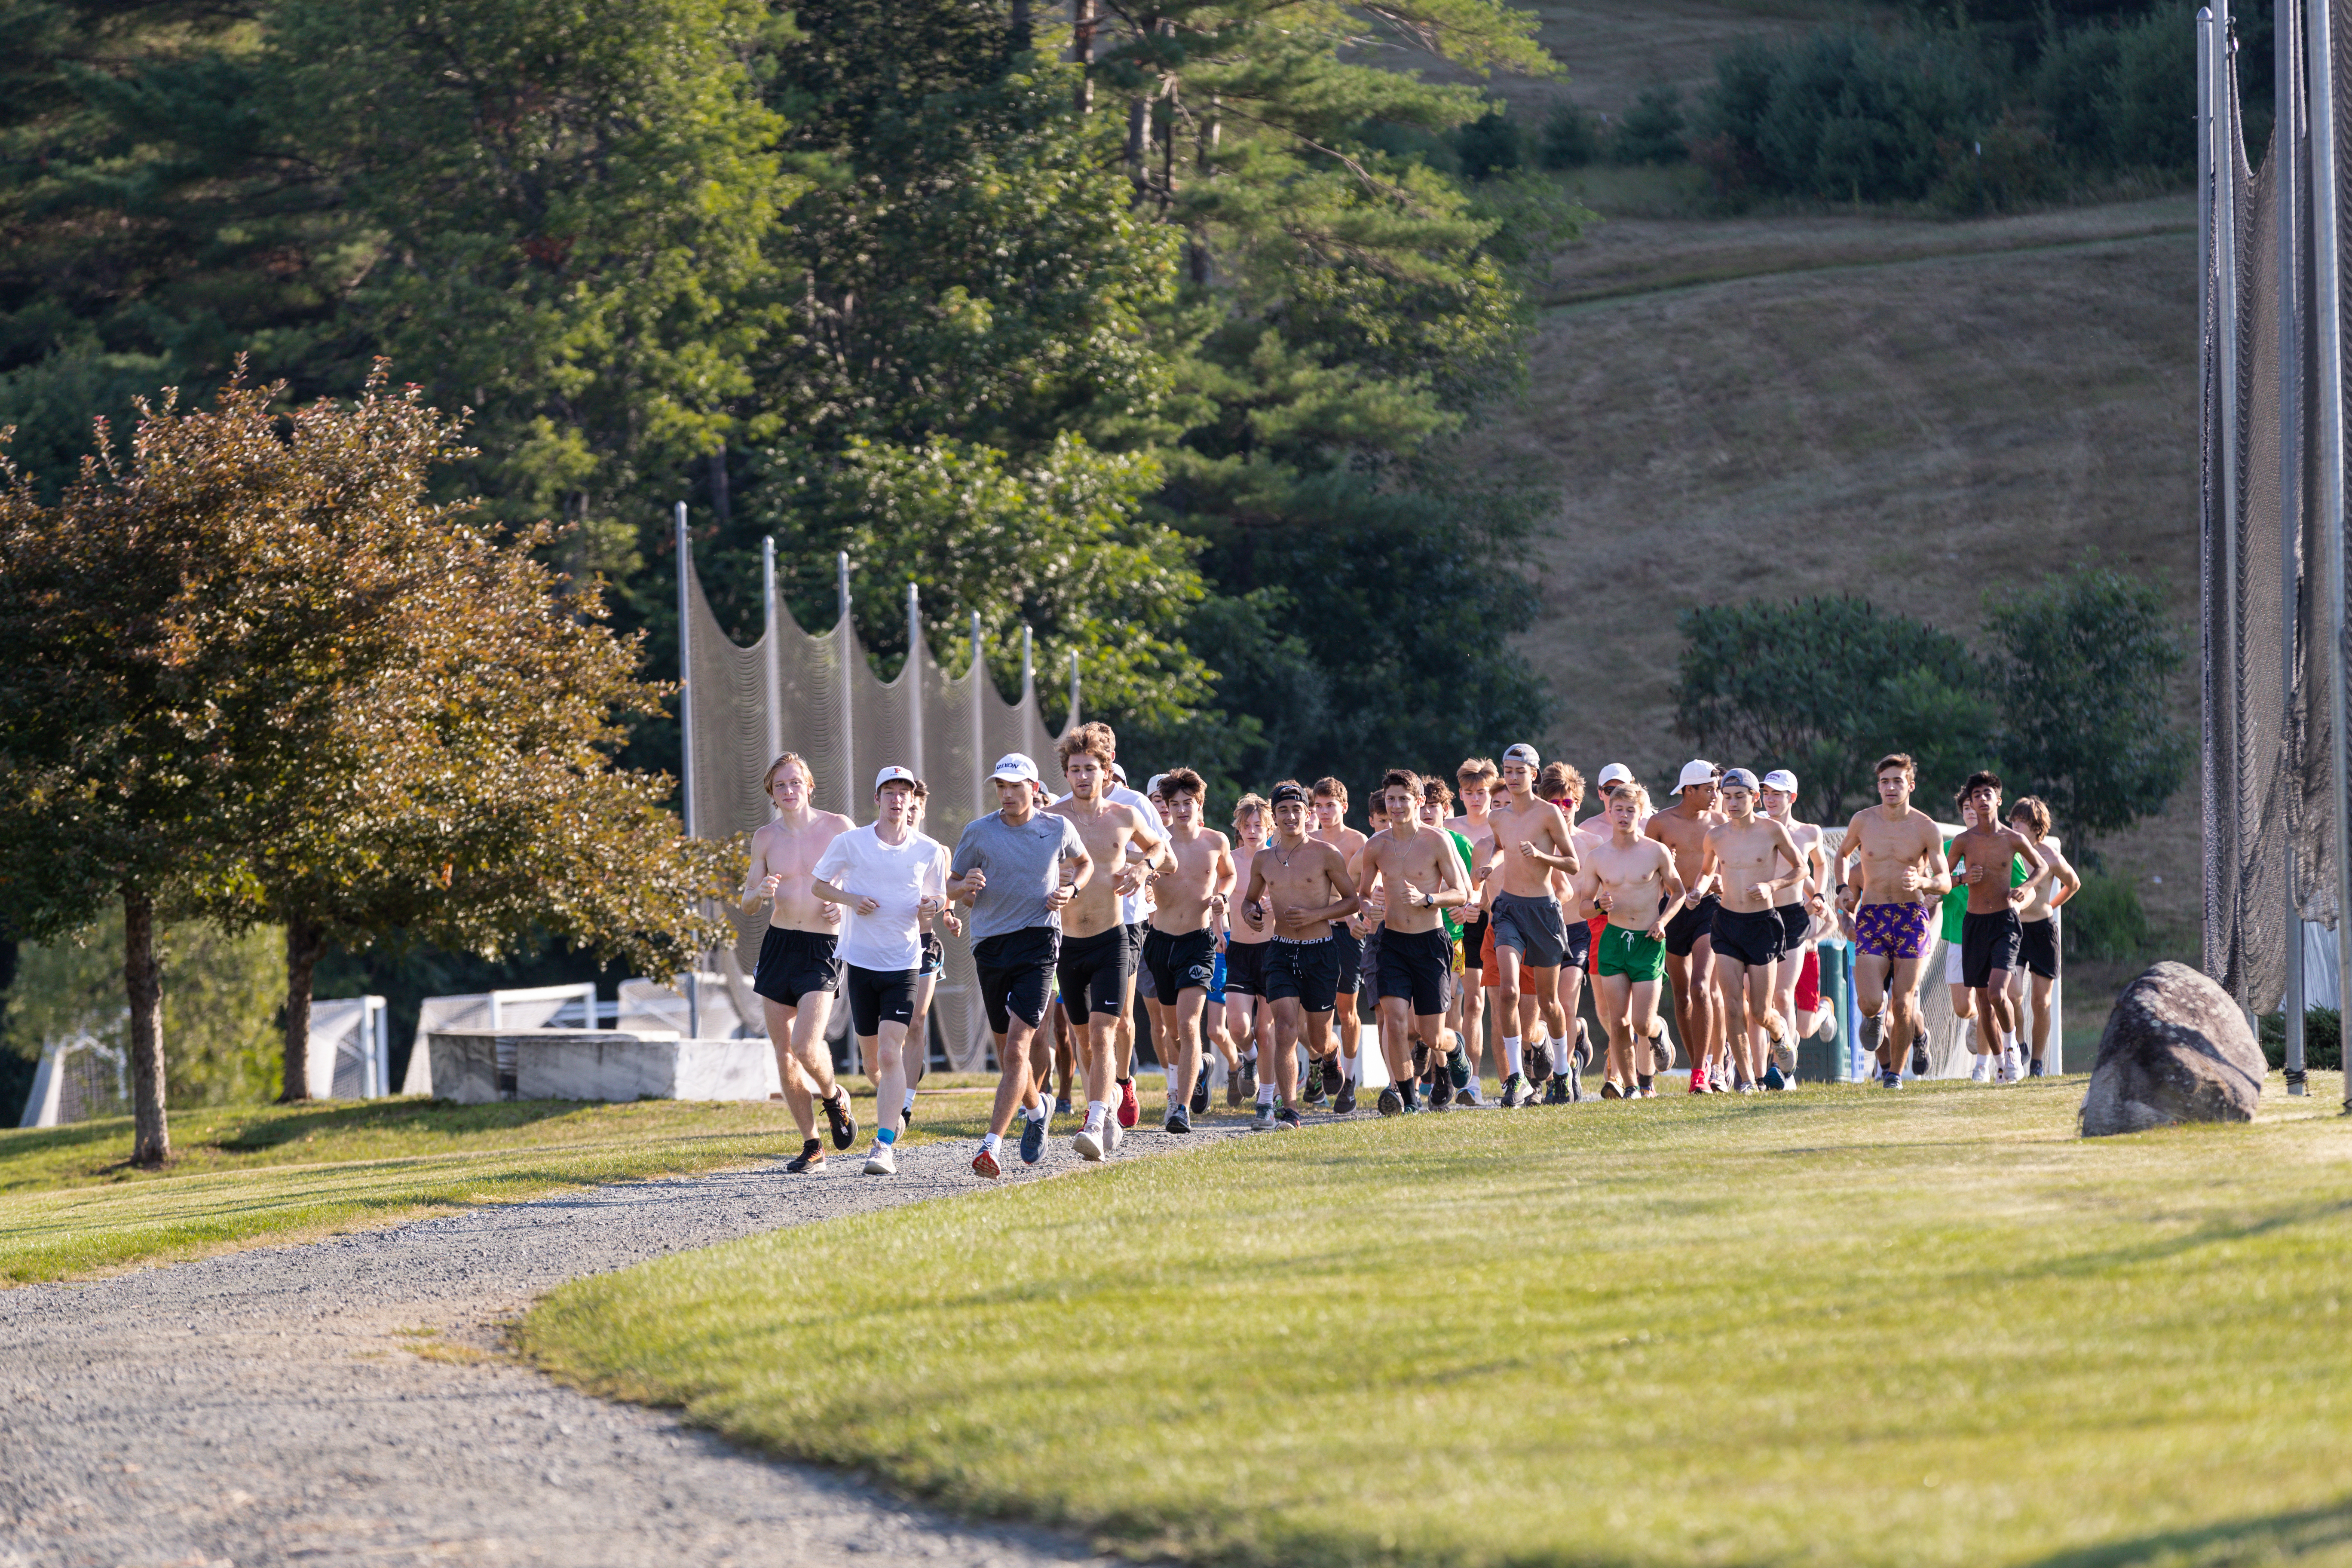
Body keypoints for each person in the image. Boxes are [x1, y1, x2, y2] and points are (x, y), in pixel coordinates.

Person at [949, 753, 1092, 1178]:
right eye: (1001, 787)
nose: (1008, 794)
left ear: (1034, 788)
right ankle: (1037, 1108)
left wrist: (1072, 890)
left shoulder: (1057, 828)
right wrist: (965, 886)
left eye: (1015, 786)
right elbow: (952, 884)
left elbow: (1084, 863)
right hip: (990, 945)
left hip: (1040, 940)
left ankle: (991, 1146)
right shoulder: (978, 832)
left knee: (1017, 1048)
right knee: (1005, 1052)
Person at [811, 766, 950, 1175]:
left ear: (912, 801)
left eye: (902, 793)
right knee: (873, 1062)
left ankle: (883, 1145)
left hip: (905, 964)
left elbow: (938, 897)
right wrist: (851, 899)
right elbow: (820, 885)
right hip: (861, 963)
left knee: (893, 1053)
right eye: (888, 792)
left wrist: (933, 907)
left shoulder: (928, 849)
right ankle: (890, 1106)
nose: (896, 800)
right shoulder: (851, 843)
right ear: (878, 799)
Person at [1046, 728, 1171, 1158]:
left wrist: (1143, 869)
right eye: (1075, 770)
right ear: (1066, 774)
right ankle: (1108, 1109)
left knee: (1103, 1033)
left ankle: (1096, 1119)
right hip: (1068, 943)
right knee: (1082, 1039)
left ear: (1105, 771)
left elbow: (1163, 852)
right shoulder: (1051, 819)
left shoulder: (1124, 815)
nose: (1083, 777)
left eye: (1090, 769)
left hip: (1112, 940)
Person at [739, 751, 860, 1173]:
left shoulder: (839, 827)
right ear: (772, 794)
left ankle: (833, 1097)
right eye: (780, 786)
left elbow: (866, 877)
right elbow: (748, 901)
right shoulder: (765, 838)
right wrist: (759, 894)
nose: (789, 791)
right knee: (784, 1053)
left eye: (795, 783)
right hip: (779, 945)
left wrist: (841, 905)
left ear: (809, 785)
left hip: (823, 947)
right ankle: (812, 1145)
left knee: (806, 1046)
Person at [1242, 781, 1362, 1127]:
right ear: (1274, 817)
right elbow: (1250, 900)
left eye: (1297, 810)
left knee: (1319, 1036)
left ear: (1307, 813)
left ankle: (1331, 1054)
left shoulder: (1327, 853)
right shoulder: (1264, 859)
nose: (1291, 816)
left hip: (1320, 951)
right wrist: (1251, 913)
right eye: (1283, 811)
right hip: (1280, 950)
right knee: (1284, 1029)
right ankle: (1290, 1110)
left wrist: (1315, 915)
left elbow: (1352, 901)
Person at [1834, 754, 1953, 1089]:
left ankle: (1894, 1076)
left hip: (1910, 918)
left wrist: (1923, 883)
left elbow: (1945, 881)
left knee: (1904, 1001)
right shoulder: (1863, 821)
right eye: (1884, 781)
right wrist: (1843, 889)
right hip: (1872, 917)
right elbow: (1842, 855)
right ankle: (1875, 1016)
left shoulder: (1926, 827)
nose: (1890, 787)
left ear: (1910, 785)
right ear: (1878, 786)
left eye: (1897, 781)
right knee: (1872, 1001)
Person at [1360, 769, 1471, 1114]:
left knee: (1430, 1034)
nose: (1395, 806)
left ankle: (1454, 1048)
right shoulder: (1376, 845)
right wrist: (1371, 906)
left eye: (1403, 799)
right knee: (1395, 1020)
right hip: (1391, 943)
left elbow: (1461, 893)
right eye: (1390, 799)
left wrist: (1427, 899)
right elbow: (1362, 895)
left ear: (1419, 801)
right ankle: (1409, 1101)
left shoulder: (1438, 841)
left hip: (1431, 944)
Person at [1479, 744, 1581, 1108]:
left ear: (1534, 775)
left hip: (1543, 912)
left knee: (1550, 1003)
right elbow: (1498, 846)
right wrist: (1492, 863)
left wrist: (1541, 856)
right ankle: (1516, 1080)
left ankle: (1563, 1075)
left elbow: (1572, 864)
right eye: (1508, 771)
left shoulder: (1549, 815)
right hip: (1507, 909)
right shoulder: (1499, 817)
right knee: (1507, 992)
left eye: (1520, 771)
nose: (1513, 777)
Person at [1695, 769, 1805, 1093]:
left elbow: (1801, 868)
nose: (1731, 803)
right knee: (1732, 1005)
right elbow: (1705, 872)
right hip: (1727, 923)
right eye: (1727, 796)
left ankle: (1780, 1034)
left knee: (1759, 1011)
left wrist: (1773, 884)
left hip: (1763, 926)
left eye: (1739, 796)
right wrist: (1697, 891)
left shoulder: (1772, 831)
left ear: (1754, 798)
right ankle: (1746, 1081)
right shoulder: (1716, 836)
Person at [1574, 783, 1684, 1098]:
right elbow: (1584, 906)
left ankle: (1658, 1030)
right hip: (1613, 942)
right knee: (1618, 1022)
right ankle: (1632, 1087)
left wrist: (1663, 921)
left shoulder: (1656, 851)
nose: (1624, 816)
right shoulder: (1597, 857)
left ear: (1640, 814)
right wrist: (1599, 906)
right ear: (1609, 812)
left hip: (1648, 941)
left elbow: (1678, 893)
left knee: (1641, 1022)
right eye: (1619, 810)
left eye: (1631, 811)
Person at [1142, 768, 1234, 1133]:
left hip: (1198, 943)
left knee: (1188, 1023)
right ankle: (1199, 1070)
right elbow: (1138, 878)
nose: (1181, 810)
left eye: (1188, 803)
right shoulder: (1157, 845)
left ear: (1200, 805)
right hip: (1160, 943)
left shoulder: (1216, 841)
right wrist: (1145, 882)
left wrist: (1222, 897)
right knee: (1171, 1031)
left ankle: (1180, 1109)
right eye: (1174, 804)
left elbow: (1228, 874)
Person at [1946, 772, 2047, 1085]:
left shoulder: (2012, 839)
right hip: (1973, 924)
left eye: (1988, 793)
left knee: (1997, 992)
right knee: (1981, 1001)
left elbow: (2041, 867)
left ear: (1998, 800)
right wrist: (1964, 879)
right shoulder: (1963, 842)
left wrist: (2026, 887)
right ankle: (2000, 1064)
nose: (1982, 799)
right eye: (1977, 795)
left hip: (2005, 923)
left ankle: (2013, 1047)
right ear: (1971, 803)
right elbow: (1941, 881)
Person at [1649, 761, 1724, 1092]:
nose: (1715, 795)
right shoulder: (1661, 823)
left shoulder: (1721, 822)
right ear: (1688, 790)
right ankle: (1699, 1068)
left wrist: (1722, 882)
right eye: (1709, 789)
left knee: (1702, 987)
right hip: (1671, 911)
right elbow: (1645, 869)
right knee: (1682, 998)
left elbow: (1733, 865)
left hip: (1709, 908)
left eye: (1716, 788)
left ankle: (1701, 1072)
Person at [891, 784, 962, 1134]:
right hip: (888, 947)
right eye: (905, 807)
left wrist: (949, 916)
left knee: (916, 1022)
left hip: (924, 944)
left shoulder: (937, 851)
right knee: (888, 1029)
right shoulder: (882, 847)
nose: (909, 813)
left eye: (915, 808)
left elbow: (944, 896)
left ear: (921, 810)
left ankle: (904, 1105)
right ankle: (900, 1072)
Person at [1757, 769, 1828, 1083]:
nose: (1770, 799)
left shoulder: (1809, 832)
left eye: (1777, 793)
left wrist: (1822, 896)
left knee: (1784, 995)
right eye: (1766, 793)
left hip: (1794, 916)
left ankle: (1784, 1070)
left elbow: (1822, 864)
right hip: (1758, 916)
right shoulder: (1755, 826)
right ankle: (1759, 1072)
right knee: (1761, 1000)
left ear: (1792, 798)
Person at [2008, 795, 2079, 1077]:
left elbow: (2073, 883)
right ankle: (2020, 1043)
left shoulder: (2050, 856)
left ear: (2037, 827)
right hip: (2014, 930)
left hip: (2043, 932)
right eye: (2013, 821)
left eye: (2021, 823)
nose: (2015, 827)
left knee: (2042, 1001)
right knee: (2012, 993)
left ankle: (2037, 1063)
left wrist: (2051, 905)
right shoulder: (2009, 851)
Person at [1311, 778, 1369, 1112]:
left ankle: (1349, 1082)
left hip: (1349, 935)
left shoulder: (1358, 842)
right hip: (1315, 933)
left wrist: (1354, 917)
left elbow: (1363, 890)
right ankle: (1327, 1058)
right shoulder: (1309, 841)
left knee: (1347, 1011)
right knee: (1317, 1011)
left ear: (1344, 807)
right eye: (1318, 806)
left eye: (1330, 805)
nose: (1324, 812)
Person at [1536, 760, 1592, 1100]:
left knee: (1566, 1002)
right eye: (1555, 803)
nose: (1562, 809)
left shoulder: (1593, 842)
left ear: (1578, 804)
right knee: (1546, 1007)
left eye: (1568, 803)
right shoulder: (1536, 841)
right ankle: (1562, 1057)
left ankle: (1565, 1071)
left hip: (1578, 931)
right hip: (1541, 931)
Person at [1448, 759, 1501, 1098]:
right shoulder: (1450, 827)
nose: (1477, 799)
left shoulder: (1504, 825)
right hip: (1456, 922)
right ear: (1460, 795)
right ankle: (1459, 1073)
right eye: (1469, 793)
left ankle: (1479, 1079)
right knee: (1457, 1000)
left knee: (1484, 1003)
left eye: (1482, 792)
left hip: (1494, 920)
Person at [1223, 793, 1275, 1106]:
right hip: (1238, 949)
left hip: (1272, 950)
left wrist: (1276, 904)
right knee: (1239, 1027)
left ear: (1270, 828)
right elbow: (1216, 899)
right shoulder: (1228, 860)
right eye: (1246, 825)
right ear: (1238, 828)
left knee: (1265, 1029)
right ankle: (1250, 1058)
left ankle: (1267, 1100)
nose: (1253, 830)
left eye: (1259, 825)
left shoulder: (1279, 860)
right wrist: (1219, 930)